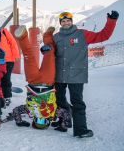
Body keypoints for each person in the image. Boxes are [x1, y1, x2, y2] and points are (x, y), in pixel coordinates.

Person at [52, 10, 119, 138]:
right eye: (63, 21)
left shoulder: (82, 34)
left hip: (76, 75)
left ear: (72, 21)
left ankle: (81, 130)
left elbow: (103, 36)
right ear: (60, 23)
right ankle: (64, 123)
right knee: (59, 100)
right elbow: (49, 52)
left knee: (77, 102)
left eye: (68, 20)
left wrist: (111, 21)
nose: (66, 23)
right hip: (59, 74)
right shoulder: (56, 37)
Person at [11, 25, 71, 130]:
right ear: (48, 120)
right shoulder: (53, 113)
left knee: (28, 56)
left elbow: (16, 110)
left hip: (33, 81)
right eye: (43, 120)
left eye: (38, 120)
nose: (41, 118)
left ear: (34, 119)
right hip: (47, 81)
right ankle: (47, 35)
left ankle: (22, 36)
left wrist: (20, 122)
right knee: (50, 54)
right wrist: (64, 126)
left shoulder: (29, 110)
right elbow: (66, 114)